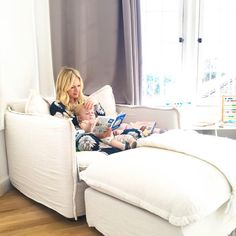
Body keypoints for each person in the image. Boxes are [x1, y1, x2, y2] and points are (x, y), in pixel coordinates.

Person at [50, 66, 111, 151]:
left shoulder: (84, 100)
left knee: (129, 133)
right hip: (78, 136)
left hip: (97, 132)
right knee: (88, 142)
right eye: (72, 87)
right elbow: (63, 126)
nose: (77, 90)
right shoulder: (56, 106)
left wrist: (95, 103)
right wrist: (79, 119)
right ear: (63, 87)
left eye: (78, 86)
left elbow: (102, 116)